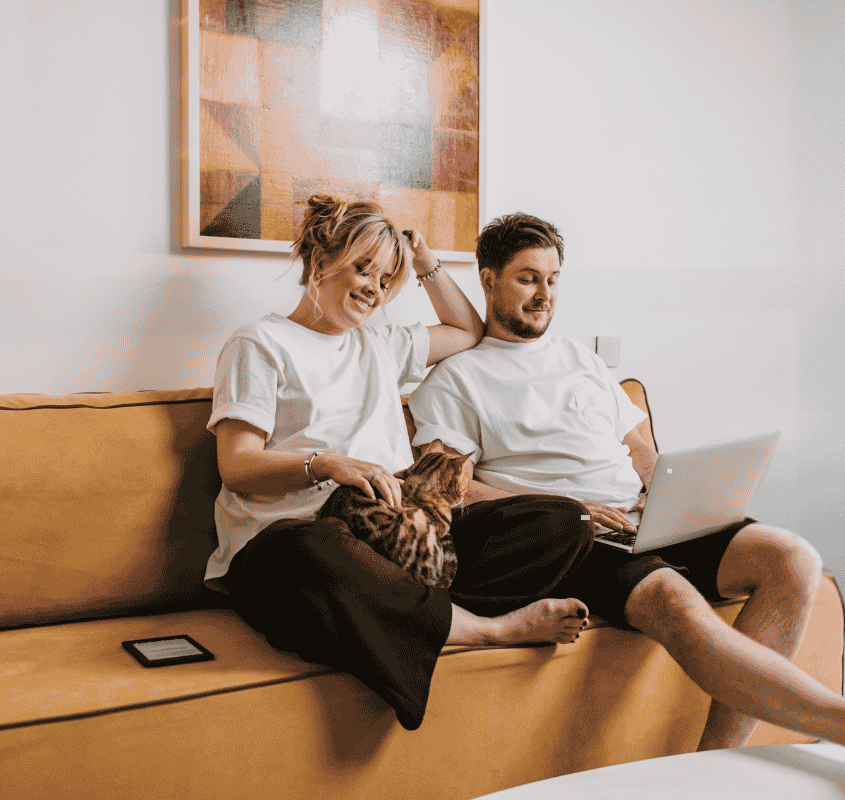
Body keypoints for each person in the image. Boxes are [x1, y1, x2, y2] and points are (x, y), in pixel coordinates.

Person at [406, 212, 845, 785]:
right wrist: (561, 505)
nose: (544, 294)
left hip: (647, 515)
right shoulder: (455, 378)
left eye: (553, 278)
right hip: (572, 536)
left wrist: (676, 493)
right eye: (527, 279)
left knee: (793, 559)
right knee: (672, 597)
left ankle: (712, 768)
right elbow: (450, 487)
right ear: (488, 280)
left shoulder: (581, 361)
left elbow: (641, 447)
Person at [205, 196, 592, 731]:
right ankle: (487, 629)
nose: (373, 288)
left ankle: (400, 608)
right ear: (320, 259)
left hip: (402, 537)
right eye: (362, 267)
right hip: (290, 543)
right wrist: (327, 465)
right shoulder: (260, 343)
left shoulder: (379, 344)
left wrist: (425, 260)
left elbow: (467, 330)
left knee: (562, 520)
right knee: (314, 550)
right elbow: (238, 466)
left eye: (386, 279)